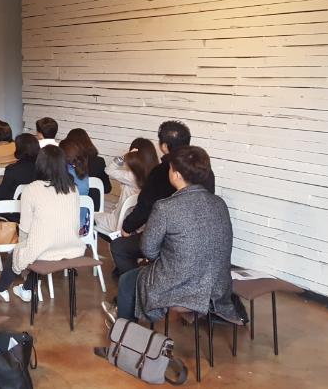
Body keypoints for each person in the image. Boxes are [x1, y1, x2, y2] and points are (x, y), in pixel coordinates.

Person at [101, 146, 241, 326]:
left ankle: (124, 331)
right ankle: (121, 315)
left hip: (183, 286)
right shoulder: (219, 203)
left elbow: (148, 250)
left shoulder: (166, 207)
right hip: (216, 284)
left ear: (176, 175)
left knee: (129, 280)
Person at [111, 121, 215, 277]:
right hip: (202, 239)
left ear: (164, 146)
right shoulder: (205, 170)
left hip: (171, 240)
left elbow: (145, 207)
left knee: (119, 247)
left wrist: (127, 227)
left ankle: (139, 287)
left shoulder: (163, 172)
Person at [0, 145, 86, 303]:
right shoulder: (73, 188)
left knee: (21, 251)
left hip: (46, 248)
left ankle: (1, 289)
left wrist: (23, 249)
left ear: (40, 164)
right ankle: (27, 289)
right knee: (35, 247)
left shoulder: (32, 189)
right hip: (72, 246)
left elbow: (25, 228)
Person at [97, 138, 159, 232]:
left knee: (88, 216)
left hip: (119, 224)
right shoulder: (155, 176)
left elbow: (108, 170)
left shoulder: (131, 177)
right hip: (139, 227)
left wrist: (123, 157)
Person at [65, 128, 112, 209]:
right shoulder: (99, 161)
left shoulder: (66, 163)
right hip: (94, 209)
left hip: (70, 207)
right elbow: (107, 188)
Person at [0, 133, 39, 201]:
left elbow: (2, 195)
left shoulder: (12, 169)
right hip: (32, 205)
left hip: (11, 207)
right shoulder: (42, 169)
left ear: (19, 149)